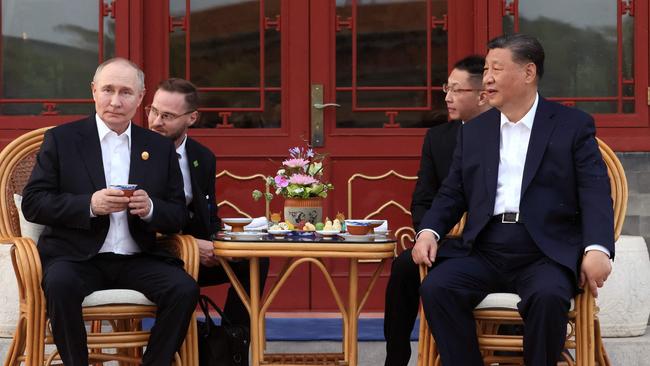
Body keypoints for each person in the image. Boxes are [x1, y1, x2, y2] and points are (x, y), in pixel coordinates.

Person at [413, 34, 614, 366]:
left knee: (548, 297)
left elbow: (593, 192)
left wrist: (597, 248)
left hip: (545, 252)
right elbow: (453, 191)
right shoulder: (475, 129)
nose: (487, 78)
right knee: (438, 288)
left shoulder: (571, 126)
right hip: (486, 247)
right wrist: (429, 231)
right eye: (486, 68)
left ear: (528, 72)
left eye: (496, 68)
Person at [22, 58, 199, 365]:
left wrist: (150, 209)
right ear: (93, 92)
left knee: (183, 289)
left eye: (126, 92)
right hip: (76, 257)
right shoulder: (62, 140)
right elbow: (34, 203)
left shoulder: (158, 147)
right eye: (108, 90)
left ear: (141, 97)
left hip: (138, 257)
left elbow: (178, 215)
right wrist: (89, 205)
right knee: (60, 284)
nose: (115, 101)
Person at [148, 78, 269, 349]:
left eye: (167, 116)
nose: (156, 121)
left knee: (254, 260)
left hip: (195, 250)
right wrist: (191, 246)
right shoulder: (135, 151)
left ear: (192, 118)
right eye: (153, 111)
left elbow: (208, 215)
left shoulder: (202, 157)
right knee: (182, 281)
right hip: (153, 253)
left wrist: (223, 241)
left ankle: (229, 346)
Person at [383, 55, 489, 366]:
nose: (447, 97)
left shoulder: (507, 133)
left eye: (456, 90)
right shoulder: (439, 137)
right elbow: (423, 198)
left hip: (493, 242)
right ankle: (397, 357)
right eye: (447, 88)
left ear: (483, 95)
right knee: (404, 266)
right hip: (448, 240)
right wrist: (429, 234)